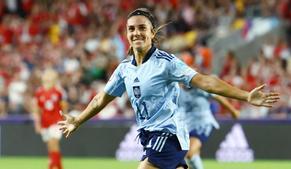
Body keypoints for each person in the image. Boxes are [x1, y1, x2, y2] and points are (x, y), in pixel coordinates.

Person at [58, 8, 279, 169]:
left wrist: (245, 96)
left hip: (169, 134)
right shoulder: (125, 68)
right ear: (126, 34)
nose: (136, 33)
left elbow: (206, 81)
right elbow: (100, 100)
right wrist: (78, 120)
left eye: (142, 28)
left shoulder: (166, 63)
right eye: (131, 29)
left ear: (152, 33)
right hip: (148, 135)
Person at [179, 86, 239, 169]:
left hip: (202, 124)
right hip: (187, 126)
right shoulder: (178, 91)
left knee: (189, 153)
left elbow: (218, 97)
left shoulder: (201, 87)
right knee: (193, 156)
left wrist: (233, 111)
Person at [32, 69, 67, 169]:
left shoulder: (58, 92)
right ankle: (57, 166)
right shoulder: (39, 92)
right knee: (50, 148)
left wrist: (65, 121)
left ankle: (52, 166)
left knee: (53, 143)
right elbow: (37, 110)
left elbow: (64, 107)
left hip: (56, 122)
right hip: (45, 123)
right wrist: (37, 124)